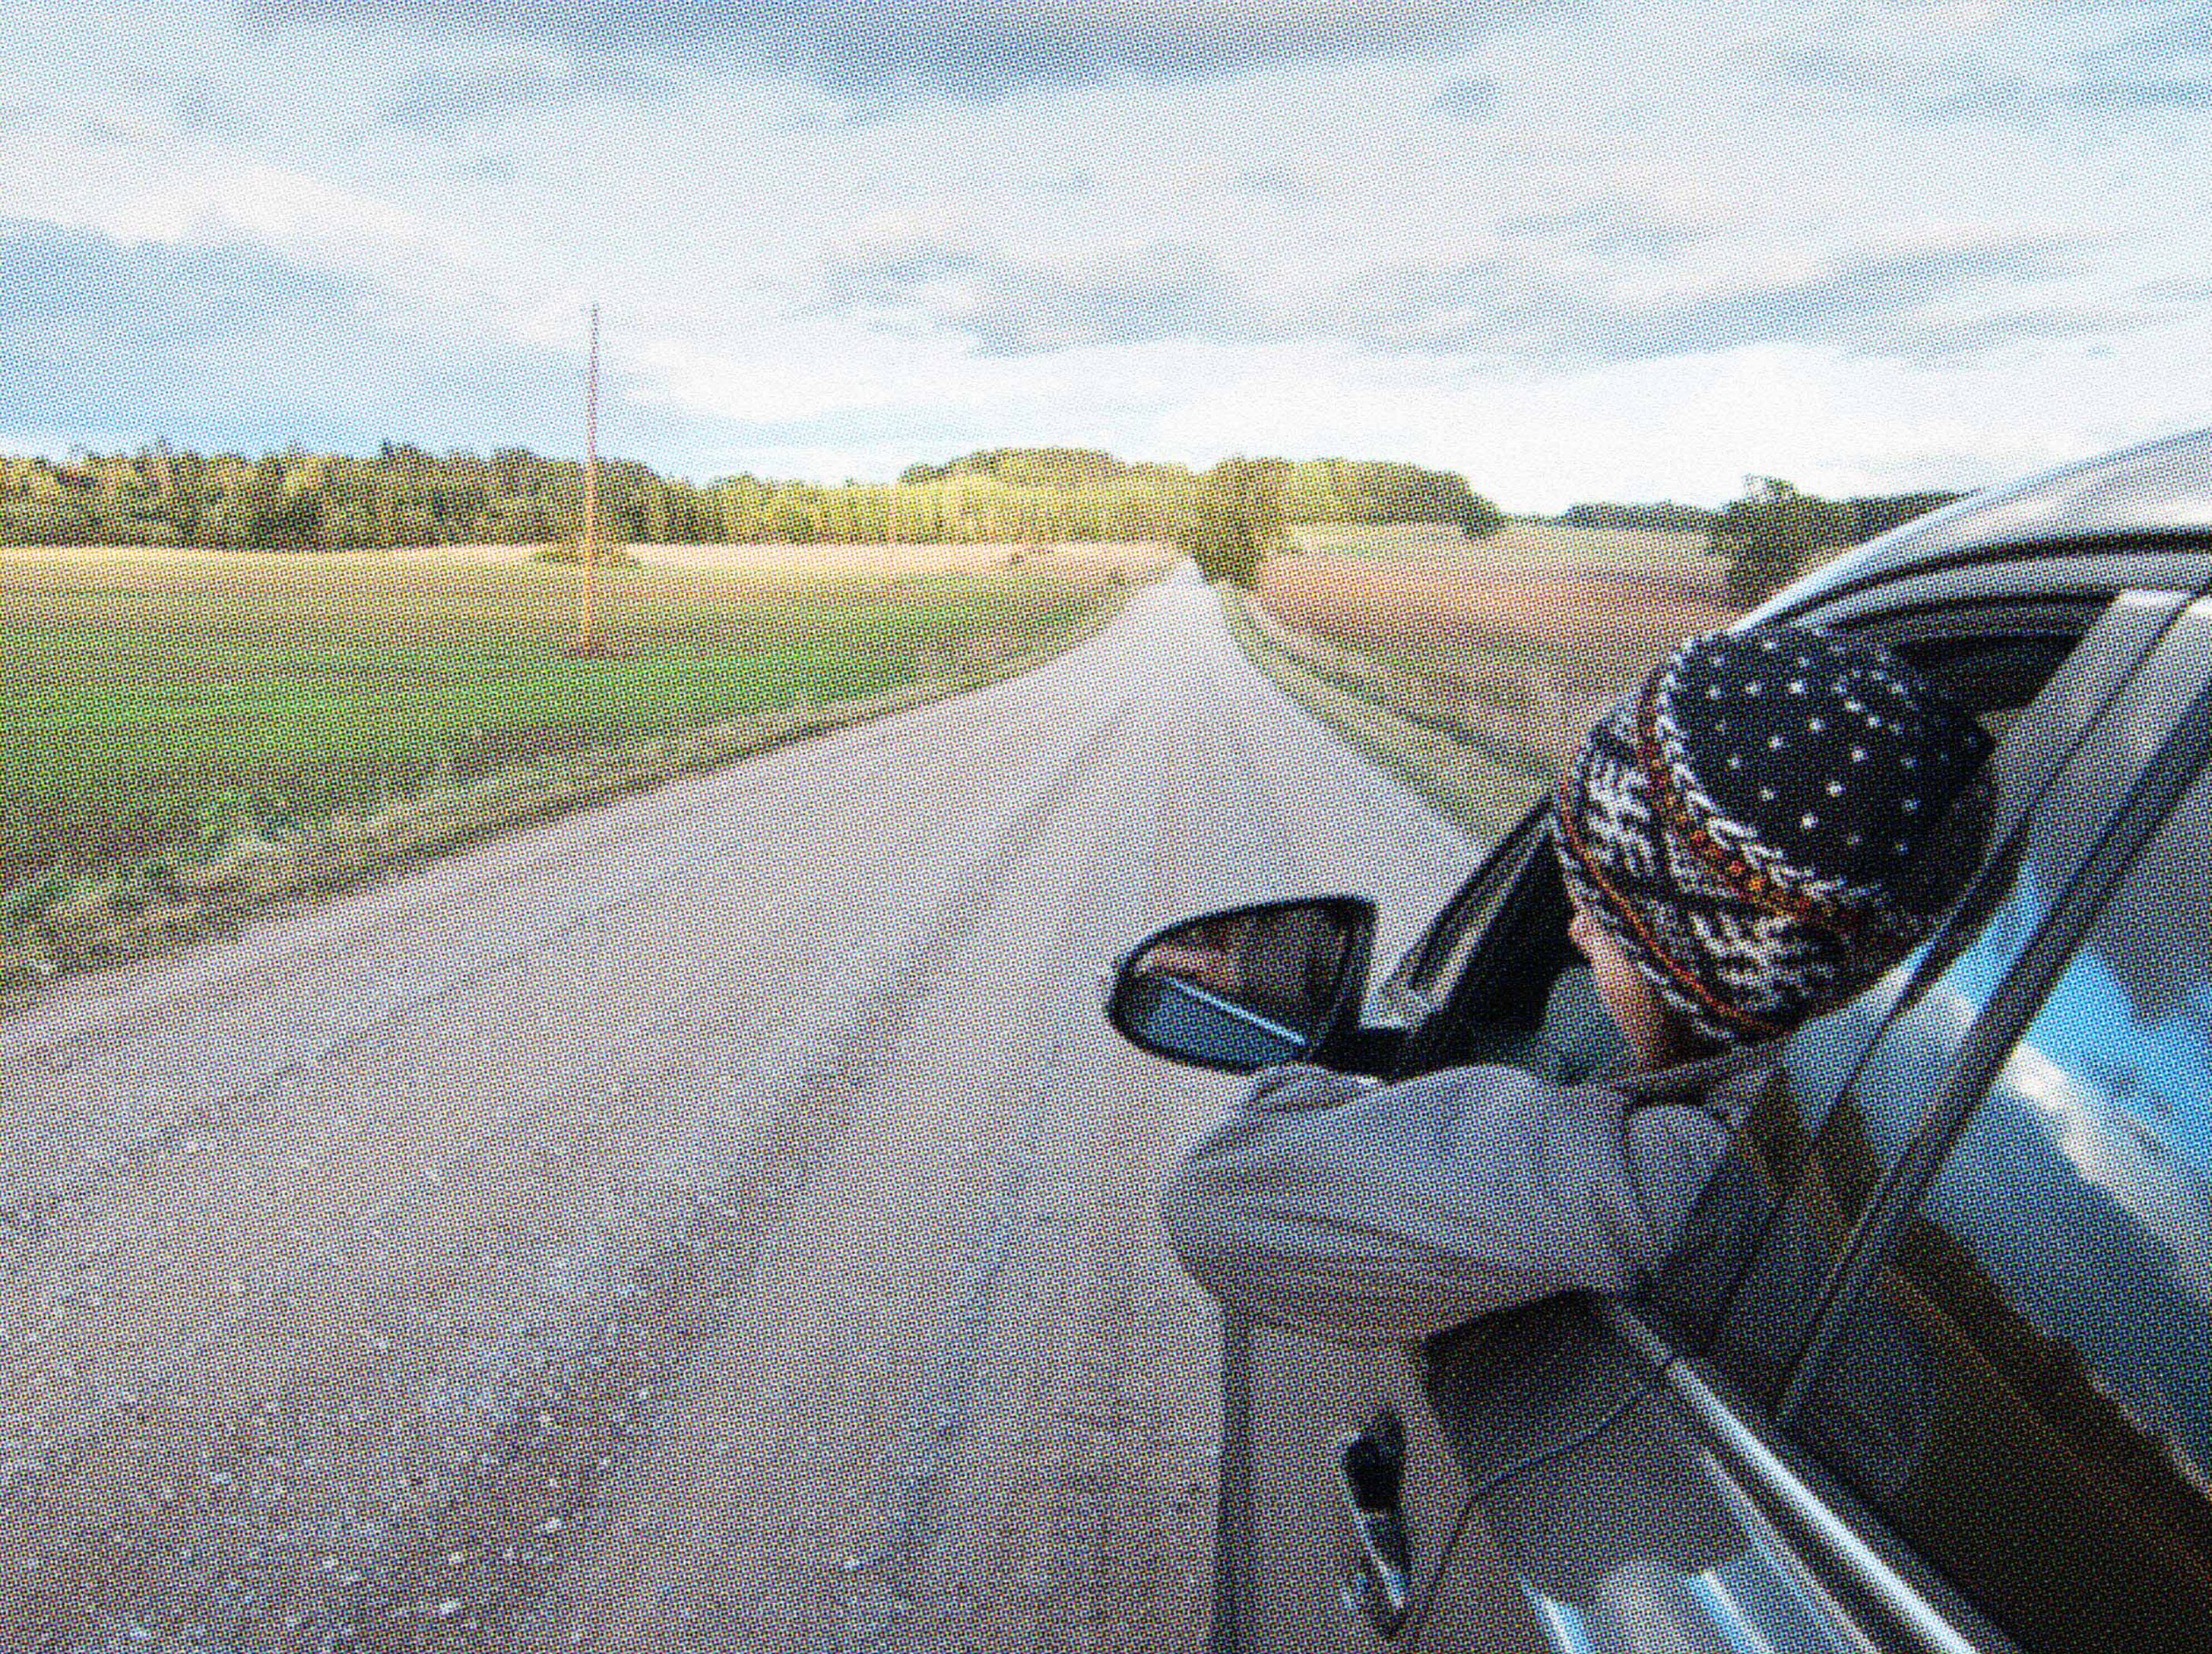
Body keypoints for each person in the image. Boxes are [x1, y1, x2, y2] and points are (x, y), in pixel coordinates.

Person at [1160, 624, 1995, 1343]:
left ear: (1705, 961)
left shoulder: (1690, 1177)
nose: (1574, 930)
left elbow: (1216, 1192)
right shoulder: (1900, 1131)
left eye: (1605, 908)